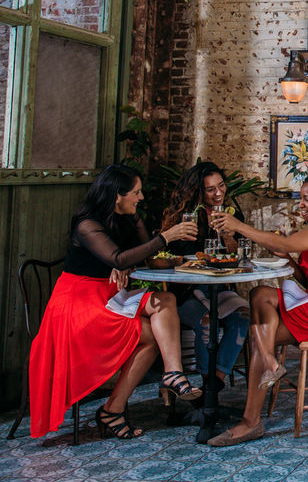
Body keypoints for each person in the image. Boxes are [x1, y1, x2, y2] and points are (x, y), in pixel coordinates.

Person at [29, 164, 201, 439]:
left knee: (165, 299)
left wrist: (129, 258)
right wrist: (164, 237)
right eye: (136, 192)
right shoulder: (87, 225)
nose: (141, 198)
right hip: (77, 304)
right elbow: (118, 258)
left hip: (108, 294)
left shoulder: (129, 218)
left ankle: (172, 373)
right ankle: (113, 410)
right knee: (153, 336)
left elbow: (139, 257)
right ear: (116, 196)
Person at [204, 166, 308, 446]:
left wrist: (238, 226)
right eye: (300, 198)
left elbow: (288, 241)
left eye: (306, 199)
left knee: (261, 331)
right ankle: (269, 361)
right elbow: (305, 277)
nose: (300, 205)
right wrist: (288, 258)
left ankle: (250, 421)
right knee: (261, 294)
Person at [161, 161, 251, 393]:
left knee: (243, 315)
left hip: (217, 290)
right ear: (198, 191)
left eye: (221, 186)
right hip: (185, 293)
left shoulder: (231, 214)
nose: (219, 193)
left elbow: (237, 255)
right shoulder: (184, 217)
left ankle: (214, 384)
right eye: (211, 189)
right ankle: (204, 380)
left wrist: (229, 236)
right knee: (206, 320)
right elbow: (170, 257)